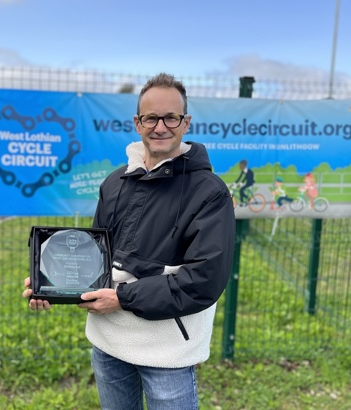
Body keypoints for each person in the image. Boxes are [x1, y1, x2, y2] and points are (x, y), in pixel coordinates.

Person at [23, 73, 235, 409]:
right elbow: (96, 260)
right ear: (138, 122)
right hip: (108, 343)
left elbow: (204, 281)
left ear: (186, 123)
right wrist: (50, 282)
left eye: (171, 117)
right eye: (151, 117)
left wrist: (122, 298)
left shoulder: (210, 193)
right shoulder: (114, 183)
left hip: (167, 351)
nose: (160, 126)